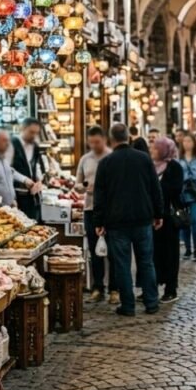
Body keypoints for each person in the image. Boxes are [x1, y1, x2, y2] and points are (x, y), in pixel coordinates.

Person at [93, 124, 164, 316]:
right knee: (146, 262)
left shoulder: (106, 163)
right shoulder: (143, 159)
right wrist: (159, 214)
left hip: (117, 222)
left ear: (111, 140)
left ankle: (128, 305)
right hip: (142, 218)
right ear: (128, 138)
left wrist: (98, 222)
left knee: (122, 265)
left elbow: (99, 195)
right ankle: (151, 302)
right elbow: (155, 188)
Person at [76, 126, 116, 305]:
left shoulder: (111, 157)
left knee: (113, 250)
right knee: (94, 249)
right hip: (90, 208)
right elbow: (77, 184)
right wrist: (85, 187)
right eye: (91, 142)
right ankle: (97, 286)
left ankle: (115, 288)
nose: (94, 145)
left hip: (110, 209)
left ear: (104, 140)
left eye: (97, 142)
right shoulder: (85, 159)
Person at [151, 137, 183, 303]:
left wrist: (158, 189)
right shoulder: (151, 166)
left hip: (169, 218)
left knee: (170, 253)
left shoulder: (174, 167)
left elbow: (176, 189)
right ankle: (152, 286)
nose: (153, 151)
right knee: (153, 253)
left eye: (156, 149)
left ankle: (171, 288)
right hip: (153, 217)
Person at [0, 130, 40, 208]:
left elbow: (10, 172)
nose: (8, 143)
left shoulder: (2, 157)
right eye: (4, 140)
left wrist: (25, 180)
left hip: (8, 207)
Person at [11, 118, 45, 221]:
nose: (34, 136)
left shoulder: (35, 146)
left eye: (36, 133)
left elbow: (37, 165)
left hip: (33, 195)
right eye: (31, 132)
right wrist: (24, 179)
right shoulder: (11, 144)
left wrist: (39, 180)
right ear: (22, 128)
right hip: (16, 195)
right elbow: (6, 169)